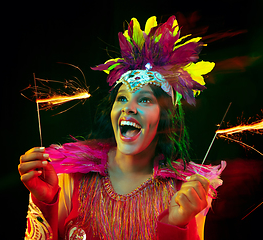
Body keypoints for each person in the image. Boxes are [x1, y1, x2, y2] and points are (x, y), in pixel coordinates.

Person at [18, 15, 226, 240]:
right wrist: (45, 201)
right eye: (122, 98)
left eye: (145, 100)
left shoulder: (185, 192)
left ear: (165, 118)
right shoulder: (69, 177)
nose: (129, 108)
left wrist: (177, 225)